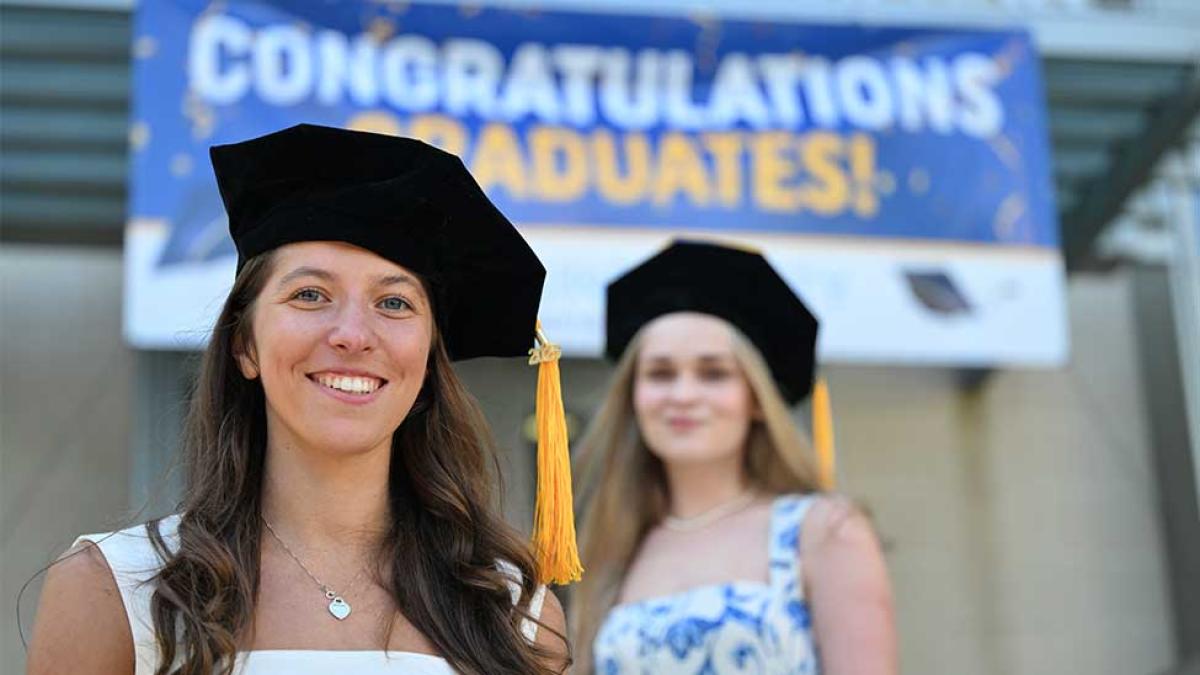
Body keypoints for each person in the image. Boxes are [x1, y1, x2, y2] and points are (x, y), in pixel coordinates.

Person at [26, 124, 580, 675]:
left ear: (428, 362)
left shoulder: (510, 615)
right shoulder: (119, 591)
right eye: (310, 294)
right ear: (245, 345)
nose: (353, 334)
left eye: (393, 302)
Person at [570, 240, 897, 674]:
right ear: (633, 397)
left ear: (757, 400)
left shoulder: (821, 531)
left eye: (714, 373)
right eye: (660, 374)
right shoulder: (614, 548)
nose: (683, 396)